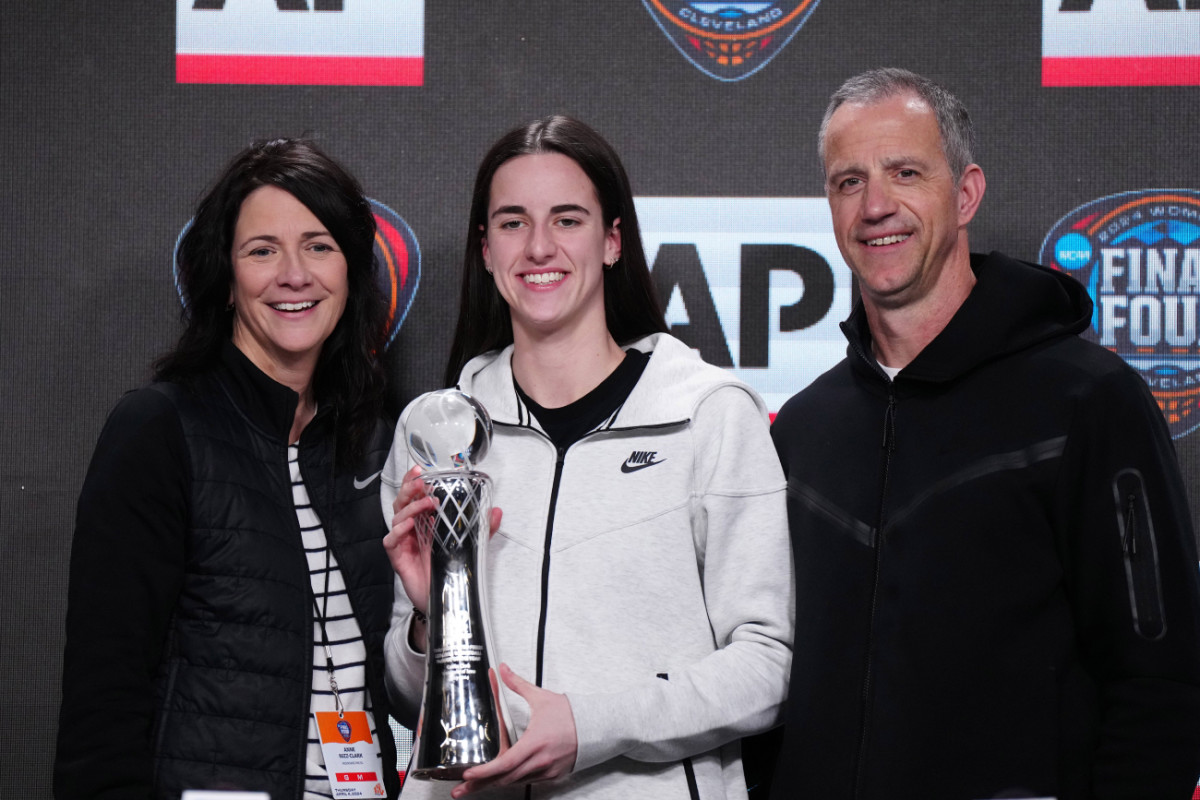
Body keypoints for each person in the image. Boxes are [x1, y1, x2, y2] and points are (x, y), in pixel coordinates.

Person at [769, 67, 1200, 800]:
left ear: (965, 193)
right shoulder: (804, 428)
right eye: (849, 182)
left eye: (905, 172)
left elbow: (1160, 680)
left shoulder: (1088, 401)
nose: (876, 205)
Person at [380, 115, 793, 800]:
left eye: (567, 220)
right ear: (485, 250)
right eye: (512, 223)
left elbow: (763, 668)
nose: (539, 247)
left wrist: (591, 724)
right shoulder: (439, 431)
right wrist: (433, 620)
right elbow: (405, 696)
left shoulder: (709, 413)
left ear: (611, 242)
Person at [54, 138, 402, 800]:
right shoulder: (160, 430)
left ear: (353, 270)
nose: (294, 274)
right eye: (262, 250)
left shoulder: (374, 445)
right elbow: (103, 701)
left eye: (319, 245)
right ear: (225, 278)